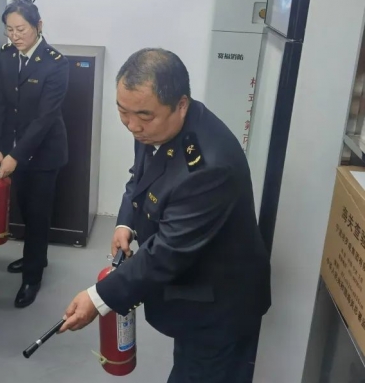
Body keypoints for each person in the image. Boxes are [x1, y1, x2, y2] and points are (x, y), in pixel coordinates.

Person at [59, 48, 271, 383]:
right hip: (190, 291)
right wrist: (126, 221)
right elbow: (141, 176)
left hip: (219, 306)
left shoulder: (209, 168)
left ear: (181, 104)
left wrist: (98, 298)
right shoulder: (156, 125)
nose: (132, 126)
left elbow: (167, 253)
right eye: (122, 112)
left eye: (143, 116)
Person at [0, 0, 69, 308]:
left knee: (37, 215)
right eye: (9, 30)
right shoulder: (6, 56)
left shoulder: (56, 64)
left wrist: (15, 156)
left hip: (44, 153)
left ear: (38, 25)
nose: (15, 36)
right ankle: (36, 256)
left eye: (21, 29)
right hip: (13, 150)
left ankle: (33, 276)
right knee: (23, 208)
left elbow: (44, 120)